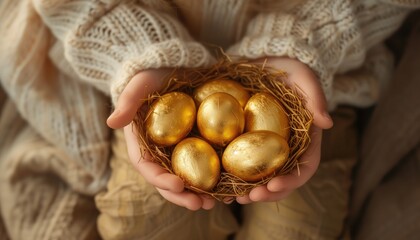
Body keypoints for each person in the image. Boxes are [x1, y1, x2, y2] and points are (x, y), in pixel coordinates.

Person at [0, 0, 418, 239]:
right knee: (145, 220)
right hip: (150, 77)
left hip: (312, 80)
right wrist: (137, 48)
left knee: (300, 228)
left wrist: (307, 39)